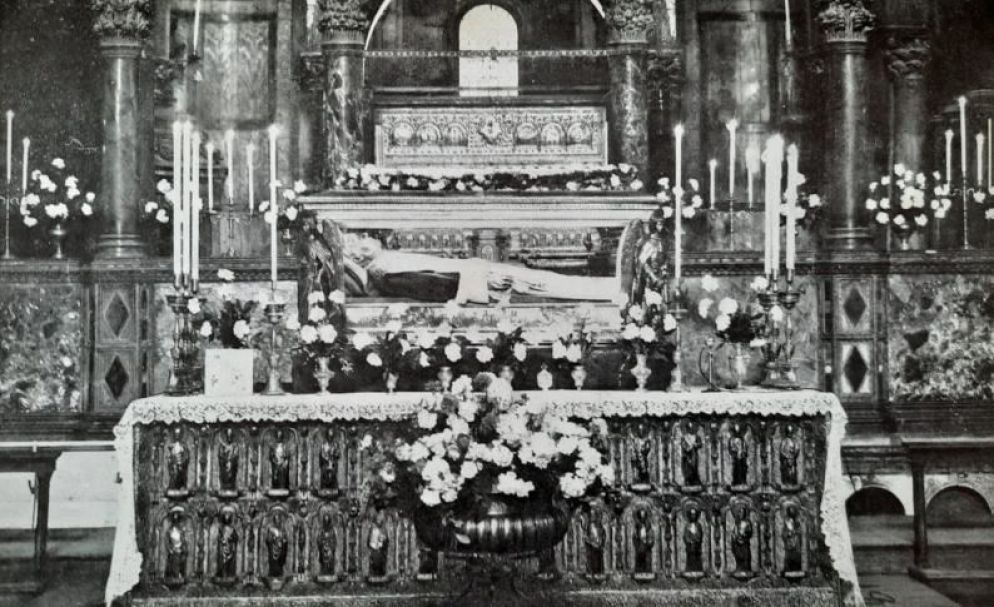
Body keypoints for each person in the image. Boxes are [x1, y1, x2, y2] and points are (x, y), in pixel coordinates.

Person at [341, 232, 622, 304]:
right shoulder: (383, 269)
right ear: (361, 253)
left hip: (479, 274)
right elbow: (432, 286)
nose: (369, 238)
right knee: (544, 283)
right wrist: (482, 283)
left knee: (541, 279)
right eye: (362, 239)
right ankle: (609, 290)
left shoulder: (384, 261)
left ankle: (610, 288)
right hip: (485, 281)